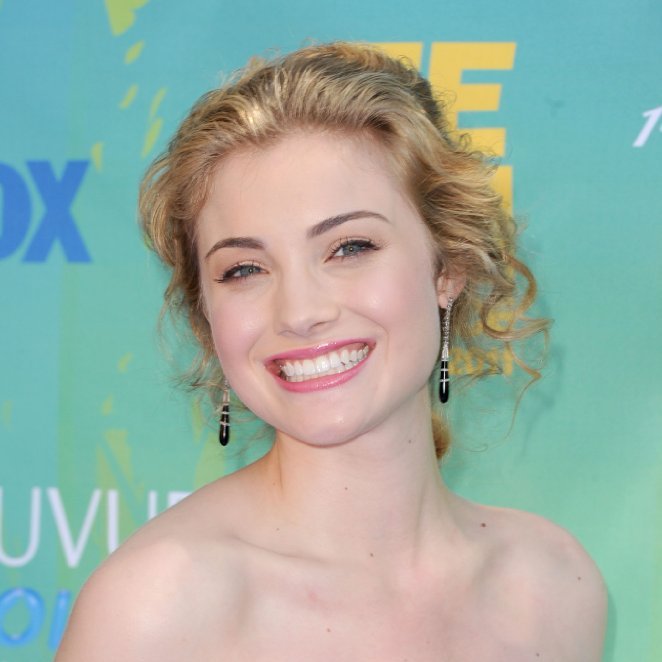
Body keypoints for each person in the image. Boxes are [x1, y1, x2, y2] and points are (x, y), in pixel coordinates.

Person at [56, 42, 606, 661]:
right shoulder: (158, 607)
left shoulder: (550, 587)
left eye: (349, 248)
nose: (299, 312)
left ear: (447, 266)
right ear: (206, 314)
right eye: (244, 269)